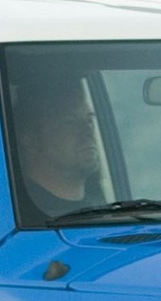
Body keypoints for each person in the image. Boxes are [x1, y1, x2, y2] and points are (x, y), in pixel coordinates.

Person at [11, 70, 108, 221]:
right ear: (29, 140)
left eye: (89, 120)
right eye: (70, 122)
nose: (88, 131)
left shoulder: (109, 211)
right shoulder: (22, 218)